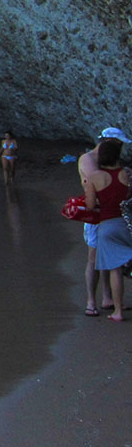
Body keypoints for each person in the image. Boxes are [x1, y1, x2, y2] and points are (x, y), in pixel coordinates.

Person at [80, 128, 132, 314]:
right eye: (119, 143)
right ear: (109, 141)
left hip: (107, 218)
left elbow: (91, 200)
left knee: (111, 264)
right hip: (107, 219)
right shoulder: (88, 160)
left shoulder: (101, 170)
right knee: (95, 259)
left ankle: (109, 299)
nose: (121, 147)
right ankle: (91, 302)